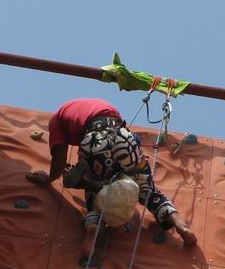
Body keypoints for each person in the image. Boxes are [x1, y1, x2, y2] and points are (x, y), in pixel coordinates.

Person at [26, 98, 197, 249]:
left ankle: (93, 227)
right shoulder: (94, 106)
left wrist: (49, 178)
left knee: (95, 196)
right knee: (148, 190)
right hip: (123, 136)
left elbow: (59, 157)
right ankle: (180, 226)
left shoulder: (56, 120)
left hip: (95, 141)